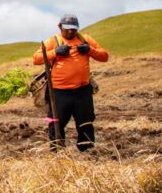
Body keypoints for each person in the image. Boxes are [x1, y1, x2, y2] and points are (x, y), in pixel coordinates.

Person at [31, 13, 109, 151]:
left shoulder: (85, 39)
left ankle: (87, 150)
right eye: (67, 28)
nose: (71, 31)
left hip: (82, 90)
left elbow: (104, 56)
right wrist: (55, 52)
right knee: (55, 122)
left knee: (86, 121)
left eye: (74, 28)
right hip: (58, 92)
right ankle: (57, 151)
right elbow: (36, 59)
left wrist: (89, 50)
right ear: (60, 26)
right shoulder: (53, 41)